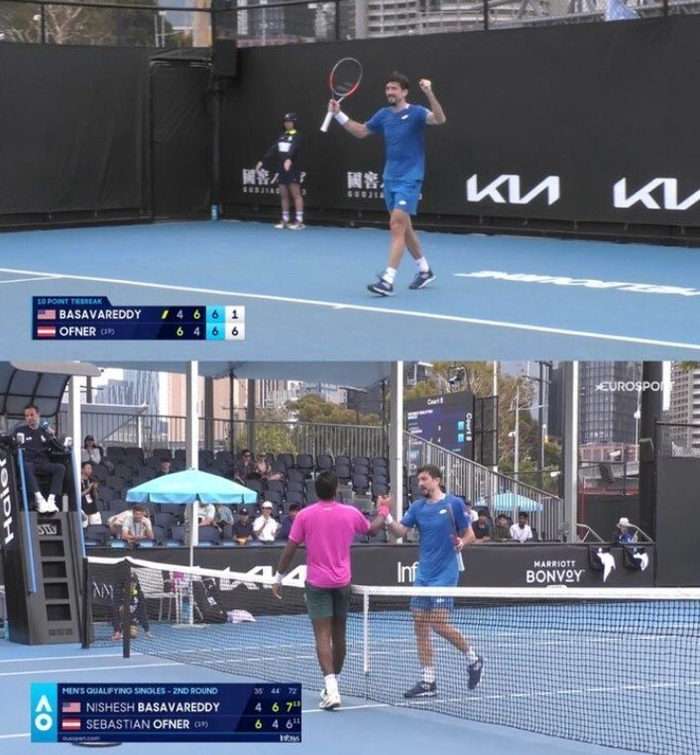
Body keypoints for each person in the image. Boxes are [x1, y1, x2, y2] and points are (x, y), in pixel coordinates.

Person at [272, 471, 386, 710]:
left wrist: (279, 577)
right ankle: (333, 685)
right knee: (339, 635)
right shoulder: (350, 513)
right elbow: (374, 530)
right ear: (336, 490)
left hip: (317, 584)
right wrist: (384, 510)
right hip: (342, 583)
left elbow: (289, 549)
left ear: (316, 491)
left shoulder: (304, 515)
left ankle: (331, 688)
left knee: (322, 636)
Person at [329, 71, 446, 296]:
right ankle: (424, 270)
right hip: (390, 179)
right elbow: (361, 131)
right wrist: (338, 114)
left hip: (410, 178)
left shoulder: (417, 112)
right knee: (404, 228)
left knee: (396, 226)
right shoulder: (383, 115)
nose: (389, 92)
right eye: (387, 88)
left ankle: (387, 280)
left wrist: (429, 93)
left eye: (394, 88)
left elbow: (440, 119)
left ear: (404, 92)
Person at [378, 464, 483, 697]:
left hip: (446, 573)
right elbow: (399, 532)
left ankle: (474, 659)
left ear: (437, 480)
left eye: (424, 479)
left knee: (438, 623)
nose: (420, 484)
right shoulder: (417, 507)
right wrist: (386, 514)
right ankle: (428, 681)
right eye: (419, 480)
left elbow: (471, 535)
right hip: (423, 575)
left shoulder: (453, 504)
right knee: (420, 624)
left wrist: (462, 543)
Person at [255, 113, 305, 230]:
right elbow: (273, 149)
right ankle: (285, 220)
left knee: (296, 194)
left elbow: (293, 149)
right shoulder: (282, 136)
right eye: (285, 122)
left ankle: (299, 221)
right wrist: (262, 161)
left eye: (289, 121)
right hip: (282, 169)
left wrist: (288, 159)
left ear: (294, 123)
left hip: (292, 168)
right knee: (283, 195)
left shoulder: (297, 136)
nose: (287, 123)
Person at [11, 404, 64, 513]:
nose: (29, 418)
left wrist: (52, 435)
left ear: (38, 415)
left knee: (60, 468)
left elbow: (60, 447)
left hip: (43, 463)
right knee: (27, 466)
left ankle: (51, 500)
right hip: (28, 462)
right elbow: (11, 444)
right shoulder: (20, 431)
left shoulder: (45, 431)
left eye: (32, 415)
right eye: (27, 416)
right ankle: (39, 499)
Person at [111, 573, 154, 641]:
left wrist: (147, 630)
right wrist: (117, 630)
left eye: (135, 581)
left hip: (132, 619)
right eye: (131, 582)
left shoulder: (139, 594)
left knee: (133, 635)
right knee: (122, 608)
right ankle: (119, 630)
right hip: (120, 619)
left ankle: (125, 632)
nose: (133, 584)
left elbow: (142, 611)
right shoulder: (119, 593)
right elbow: (115, 611)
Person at [80, 462, 102, 527]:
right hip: (83, 509)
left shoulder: (92, 480)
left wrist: (94, 489)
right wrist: (89, 488)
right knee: (83, 528)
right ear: (82, 469)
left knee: (97, 528)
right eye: (88, 468)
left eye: (91, 469)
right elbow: (79, 495)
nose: (90, 471)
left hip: (93, 508)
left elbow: (96, 497)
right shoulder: (77, 481)